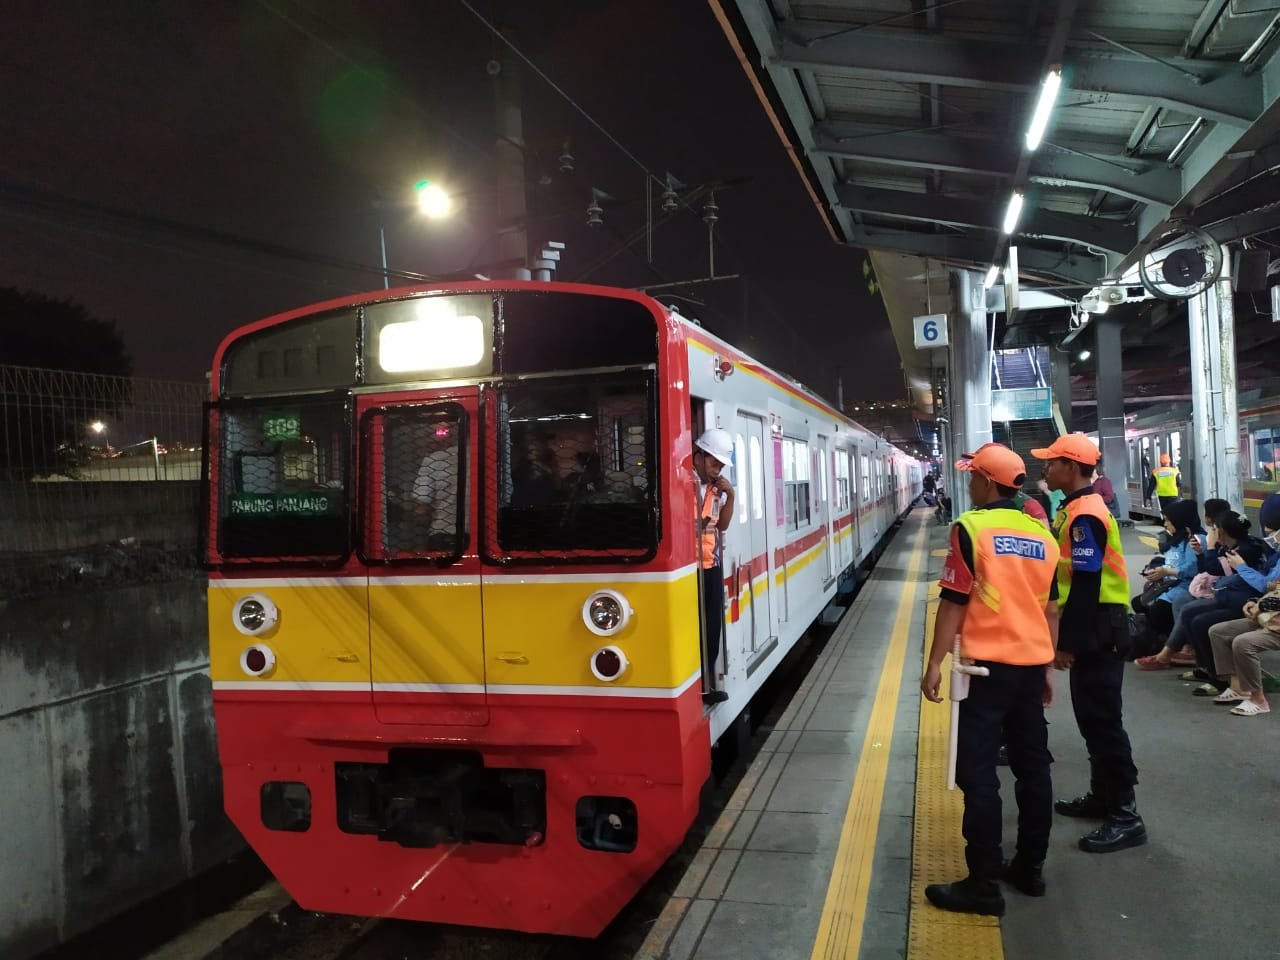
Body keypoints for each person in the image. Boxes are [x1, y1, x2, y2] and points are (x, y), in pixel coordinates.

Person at [921, 444, 1059, 916]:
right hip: (1028, 669)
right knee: (1033, 767)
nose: (969, 484)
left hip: (987, 671)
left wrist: (935, 662)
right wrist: (1044, 666)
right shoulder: (1043, 535)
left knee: (976, 773)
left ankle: (983, 882)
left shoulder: (971, 529)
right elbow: (1050, 608)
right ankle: (1030, 868)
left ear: (986, 483)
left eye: (973, 477)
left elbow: (955, 603)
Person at [1031, 433, 1147, 854]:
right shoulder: (1077, 508)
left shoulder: (1085, 515)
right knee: (1092, 719)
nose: (1046, 468)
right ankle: (1103, 797)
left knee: (1103, 722)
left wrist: (1066, 644)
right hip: (1096, 625)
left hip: (1099, 627)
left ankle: (1125, 814)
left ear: (1073, 467)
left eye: (1053, 462)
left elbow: (1085, 583)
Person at [693, 427, 735, 705]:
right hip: (689, 570)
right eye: (713, 462)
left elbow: (723, 526)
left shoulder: (715, 489)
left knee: (711, 629)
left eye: (720, 464)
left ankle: (706, 685)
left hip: (711, 566)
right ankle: (696, 687)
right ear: (698, 456)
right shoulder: (684, 482)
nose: (716, 469)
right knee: (694, 628)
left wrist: (730, 496)